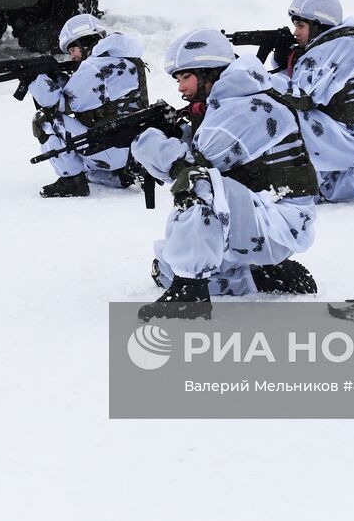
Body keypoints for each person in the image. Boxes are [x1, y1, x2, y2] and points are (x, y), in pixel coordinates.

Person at [131, 28, 320, 321]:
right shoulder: (232, 101)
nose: (180, 88)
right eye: (178, 80)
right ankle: (263, 275)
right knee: (166, 269)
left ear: (208, 73)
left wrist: (149, 142)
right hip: (265, 210)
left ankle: (190, 294)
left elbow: (196, 167)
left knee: (198, 185)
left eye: (185, 77)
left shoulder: (246, 106)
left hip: (282, 221)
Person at [271, 0, 354, 202]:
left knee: (276, 113)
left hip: (350, 136)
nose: (295, 33)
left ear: (319, 25)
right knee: (321, 191)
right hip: (348, 132)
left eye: (301, 26)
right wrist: (283, 61)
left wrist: (251, 74)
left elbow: (298, 96)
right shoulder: (332, 44)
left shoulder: (341, 45)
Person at [28, 13, 148, 198]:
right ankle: (116, 175)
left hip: (112, 146)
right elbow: (85, 95)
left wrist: (35, 78)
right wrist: (56, 75)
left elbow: (60, 103)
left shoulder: (96, 65)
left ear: (84, 43)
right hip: (131, 149)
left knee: (46, 119)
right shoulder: (122, 58)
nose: (73, 57)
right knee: (84, 159)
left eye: (72, 50)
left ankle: (71, 183)